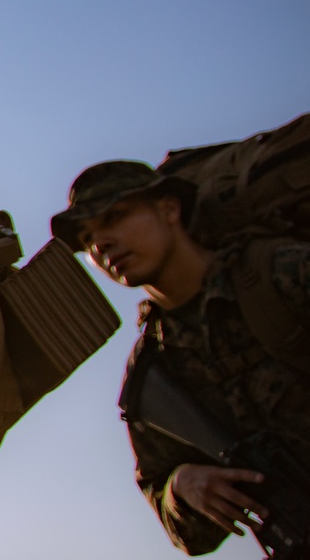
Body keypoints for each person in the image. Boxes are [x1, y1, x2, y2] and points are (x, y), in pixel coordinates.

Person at [50, 160, 310, 556]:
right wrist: (182, 486)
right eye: (87, 239)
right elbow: (183, 529)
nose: (100, 244)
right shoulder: (154, 374)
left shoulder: (281, 273)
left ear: (169, 209)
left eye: (115, 217)